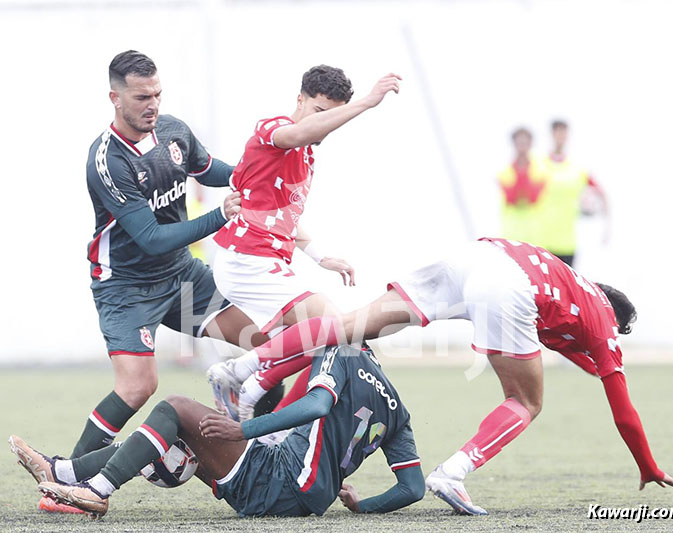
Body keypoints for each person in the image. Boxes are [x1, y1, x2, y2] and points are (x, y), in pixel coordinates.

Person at [210, 237, 673, 514]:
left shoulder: (572, 287)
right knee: (527, 401)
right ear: (615, 320)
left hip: (475, 256)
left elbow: (575, 349)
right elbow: (623, 409)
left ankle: (245, 370)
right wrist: (647, 465)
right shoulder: (603, 320)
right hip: (507, 286)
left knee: (348, 326)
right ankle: (452, 474)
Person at [58, 50, 293, 516]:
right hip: (126, 286)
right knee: (138, 387)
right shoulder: (105, 160)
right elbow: (148, 238)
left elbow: (217, 172)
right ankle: (70, 481)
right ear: (115, 97)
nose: (153, 105)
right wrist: (219, 214)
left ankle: (259, 449)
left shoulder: (174, 132)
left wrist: (264, 173)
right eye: (142, 96)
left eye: (158, 94)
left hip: (180, 277)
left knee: (266, 345)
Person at [10, 344, 425, 518]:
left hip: (278, 479)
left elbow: (317, 404)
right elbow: (412, 488)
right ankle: (62, 473)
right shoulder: (399, 409)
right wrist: (361, 507)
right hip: (300, 499)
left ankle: (97, 489)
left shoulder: (341, 352)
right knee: (173, 433)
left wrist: (241, 428)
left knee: (173, 406)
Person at [199, 66, 401, 419]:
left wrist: (322, 257)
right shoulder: (272, 130)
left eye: (333, 114)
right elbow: (296, 133)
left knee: (333, 342)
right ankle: (240, 374)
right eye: (321, 112)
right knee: (336, 325)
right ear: (300, 100)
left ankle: (265, 412)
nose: (326, 123)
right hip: (245, 258)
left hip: (268, 260)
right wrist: (369, 102)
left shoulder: (307, 154)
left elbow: (284, 215)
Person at [534, 120, 609, 266]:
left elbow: (602, 194)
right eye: (558, 132)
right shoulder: (538, 166)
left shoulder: (577, 169)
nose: (561, 136)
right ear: (552, 134)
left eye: (564, 132)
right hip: (542, 241)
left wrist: (607, 228)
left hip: (567, 242)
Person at [497, 127, 548, 246]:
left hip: (534, 233)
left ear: (531, 144)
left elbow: (533, 198)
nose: (522, 147)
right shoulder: (505, 172)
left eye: (525, 143)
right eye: (519, 143)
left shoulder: (540, 171)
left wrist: (525, 168)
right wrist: (520, 169)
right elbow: (512, 198)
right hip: (511, 233)